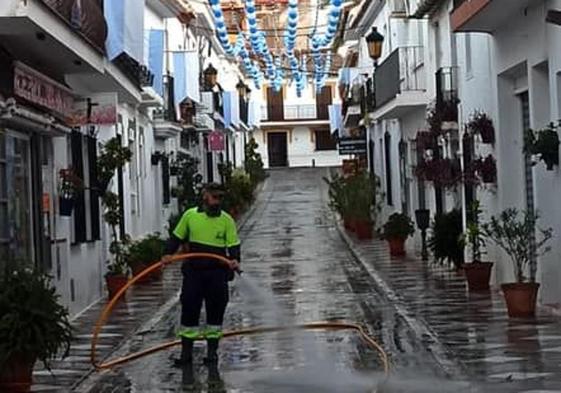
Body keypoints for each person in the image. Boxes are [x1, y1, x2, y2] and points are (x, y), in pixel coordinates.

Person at [163, 183, 241, 366]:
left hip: (217, 273)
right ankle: (186, 355)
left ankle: (212, 353)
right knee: (189, 309)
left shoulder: (226, 220)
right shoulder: (191, 216)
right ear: (205, 196)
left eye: (220, 198)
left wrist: (235, 260)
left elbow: (233, 245)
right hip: (194, 273)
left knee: (216, 311)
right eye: (214, 197)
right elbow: (176, 237)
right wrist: (167, 253)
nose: (217, 202)